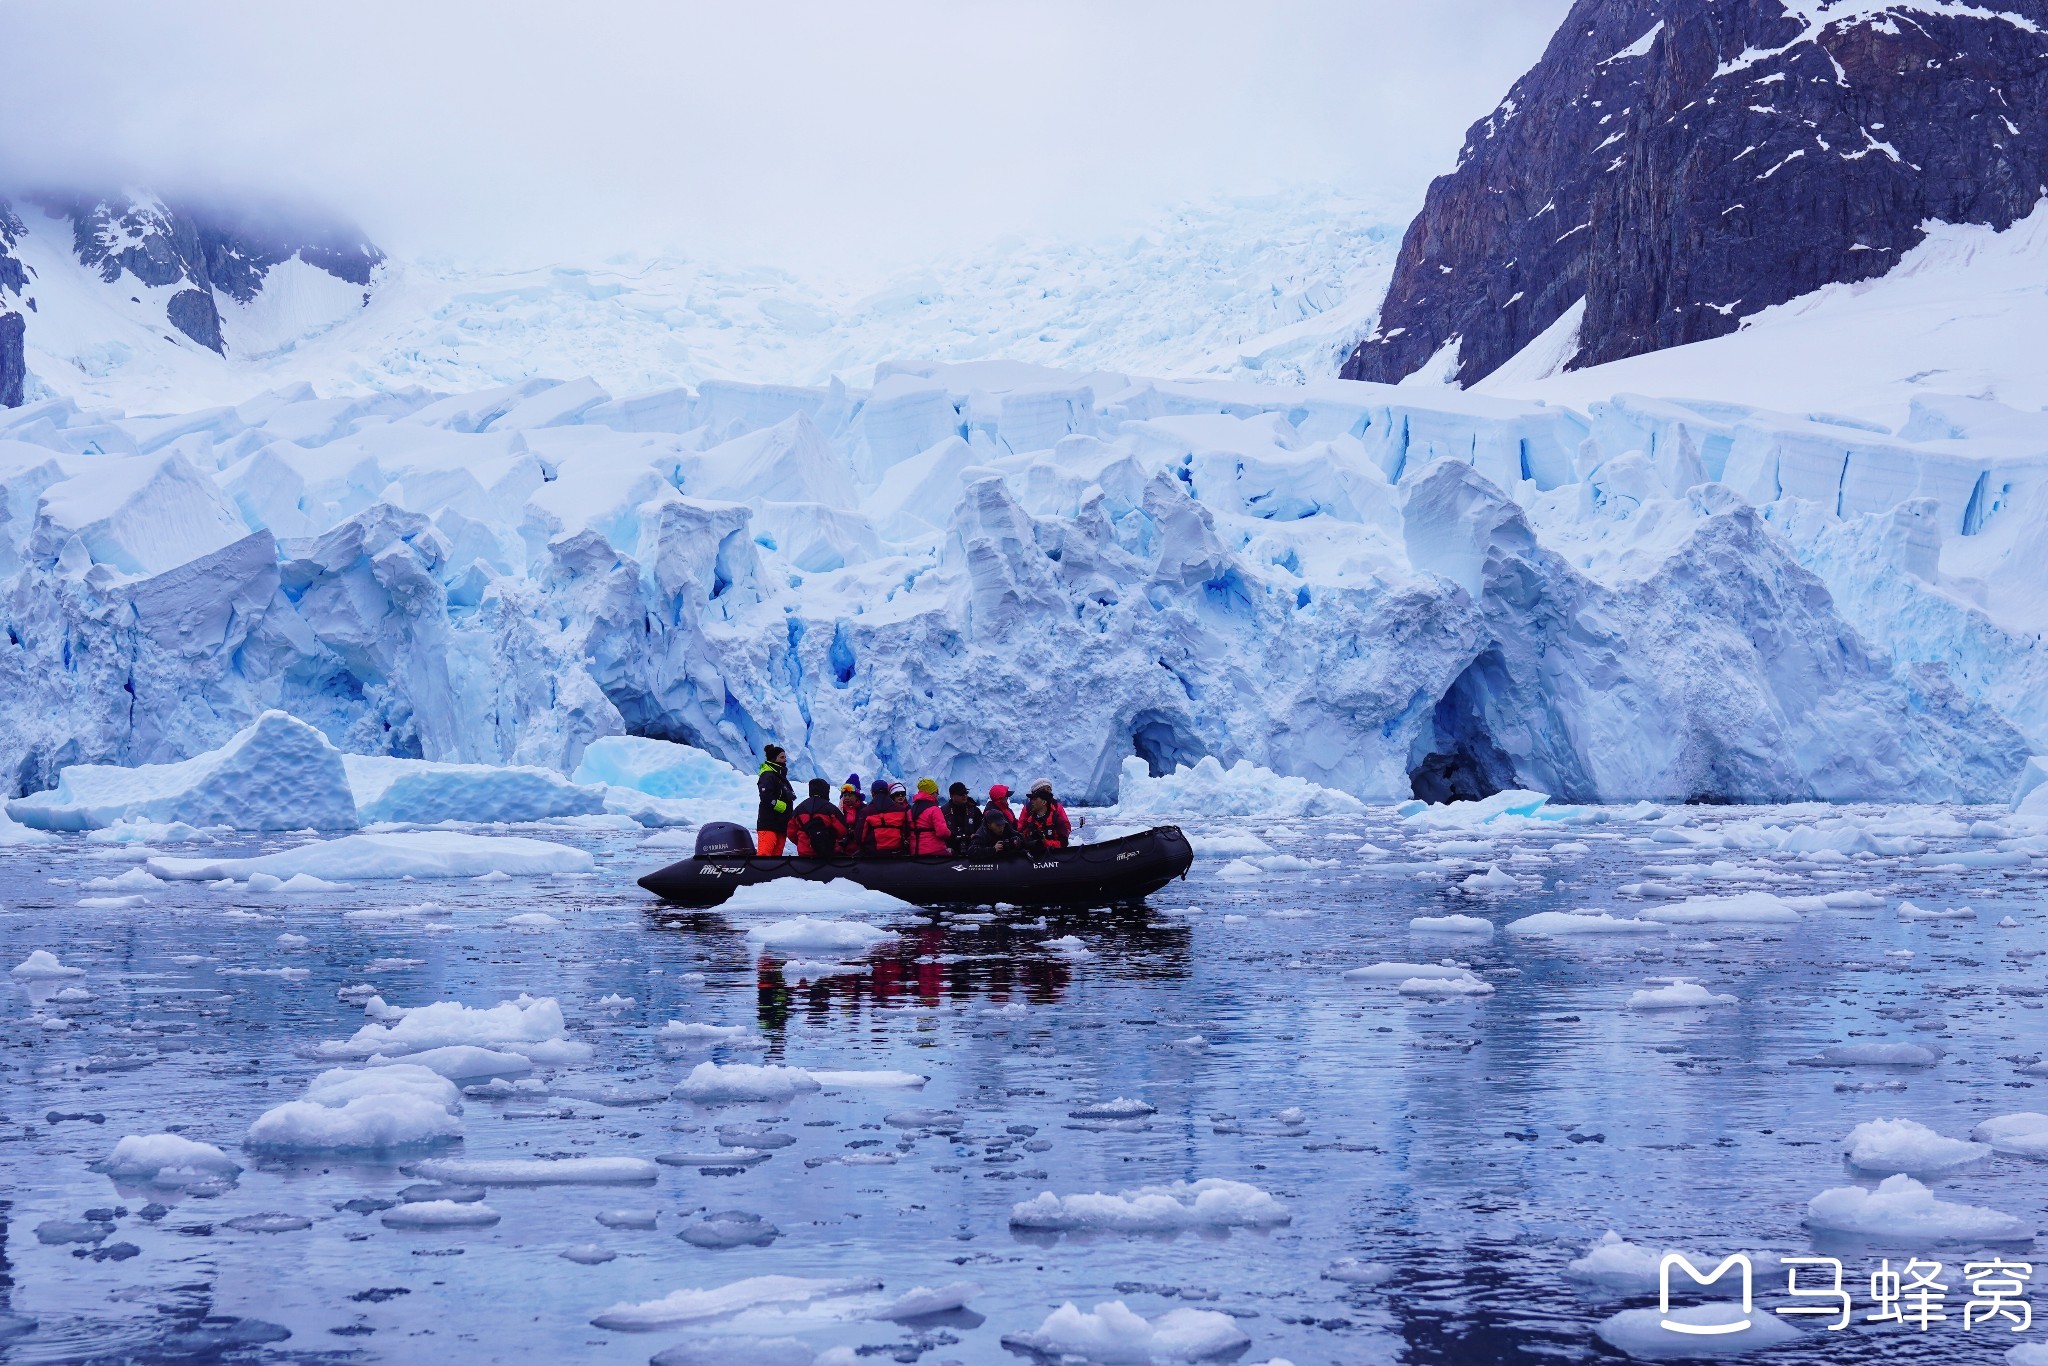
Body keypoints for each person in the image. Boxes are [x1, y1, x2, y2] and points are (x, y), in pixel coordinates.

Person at [790, 778, 849, 857]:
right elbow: (842, 831)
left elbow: (791, 833)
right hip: (827, 853)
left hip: (804, 854)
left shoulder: (799, 809)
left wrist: (802, 842)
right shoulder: (831, 809)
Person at [754, 744, 796, 856]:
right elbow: (765, 795)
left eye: (785, 757)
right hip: (769, 823)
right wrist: (781, 806)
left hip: (781, 824)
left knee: (776, 858)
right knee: (764, 855)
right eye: (782, 757)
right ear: (774, 759)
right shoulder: (767, 775)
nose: (785, 760)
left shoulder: (780, 776)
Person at [1019, 778, 1071, 852]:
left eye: (1049, 788)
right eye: (1044, 789)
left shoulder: (1056, 815)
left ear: (1044, 802)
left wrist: (1045, 842)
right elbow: (1021, 831)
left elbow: (1064, 839)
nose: (1047, 790)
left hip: (1052, 854)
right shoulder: (1029, 816)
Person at [861, 779, 911, 855]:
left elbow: (861, 835)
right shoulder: (901, 810)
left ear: (872, 793)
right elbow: (906, 831)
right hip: (897, 852)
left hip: (873, 854)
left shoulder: (866, 811)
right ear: (888, 792)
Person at [908, 778, 951, 856]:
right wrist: (950, 833)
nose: (938, 794)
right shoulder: (934, 810)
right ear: (931, 793)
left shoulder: (910, 811)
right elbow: (942, 832)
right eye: (936, 791)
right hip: (934, 851)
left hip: (915, 851)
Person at [975, 783, 1020, 852]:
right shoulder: (991, 813)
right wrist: (992, 849)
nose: (1007, 799)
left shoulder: (1006, 809)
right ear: (1000, 798)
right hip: (997, 848)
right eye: (1005, 797)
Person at [942, 781, 982, 852]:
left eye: (966, 793)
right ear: (951, 796)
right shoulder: (943, 812)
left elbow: (982, 829)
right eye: (961, 794)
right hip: (950, 850)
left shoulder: (975, 811)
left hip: (972, 849)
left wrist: (976, 836)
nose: (964, 796)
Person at [837, 774, 865, 845]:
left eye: (849, 795)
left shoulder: (864, 809)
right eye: (845, 795)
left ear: (857, 797)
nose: (846, 798)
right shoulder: (839, 810)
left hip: (859, 845)